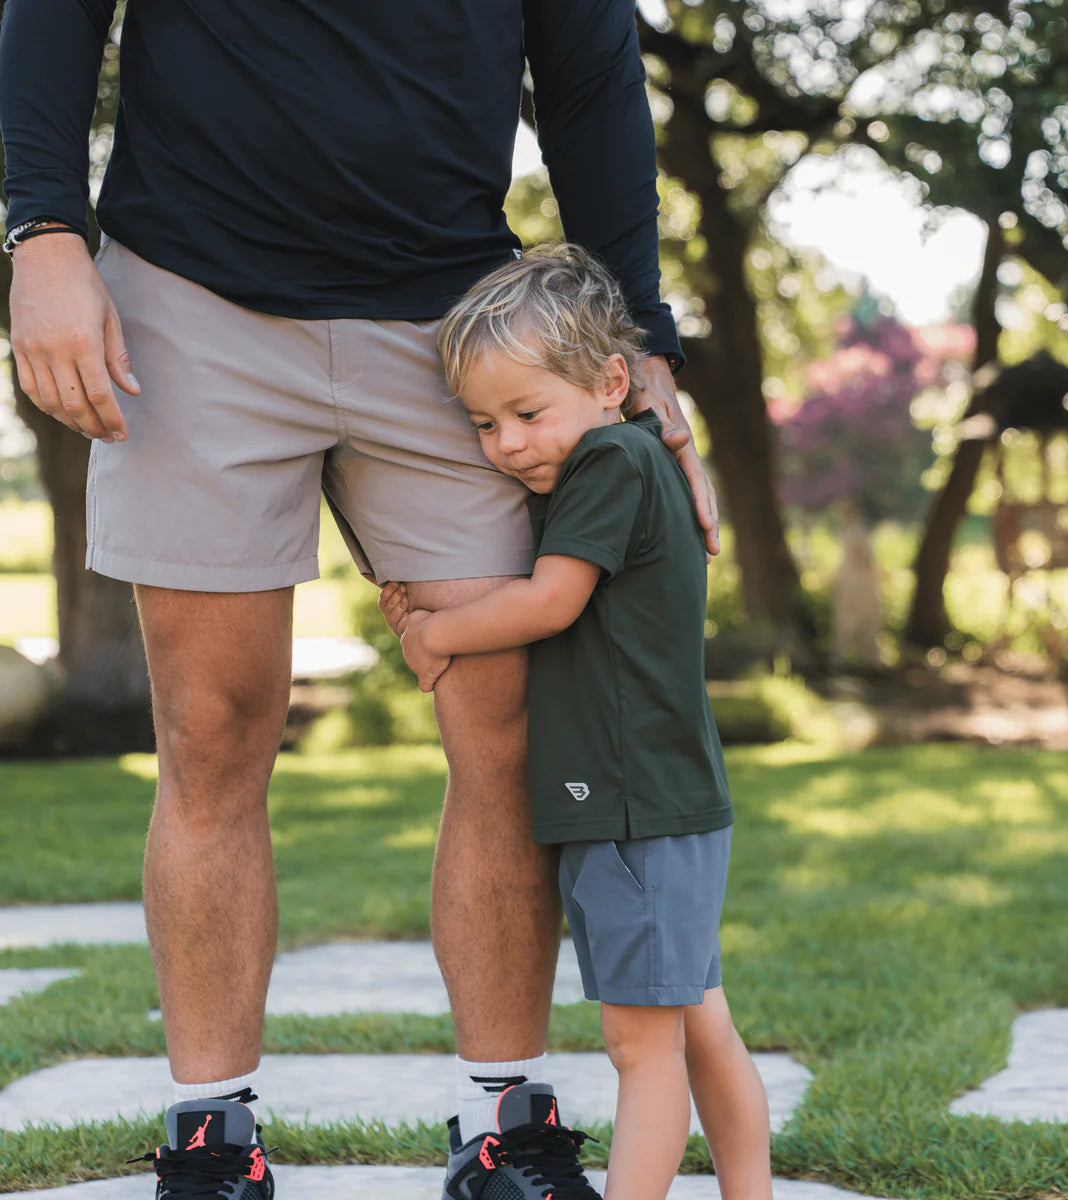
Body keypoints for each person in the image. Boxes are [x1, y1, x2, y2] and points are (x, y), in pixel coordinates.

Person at [0, 4, 719, 1199]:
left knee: (507, 723)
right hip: (189, 301)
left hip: (455, 331)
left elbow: (591, 77)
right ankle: (211, 1137)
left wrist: (636, 333)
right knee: (212, 731)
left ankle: (505, 1126)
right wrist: (41, 230)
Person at [380, 245, 771, 1200]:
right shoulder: (626, 457)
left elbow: (550, 603)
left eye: (525, 413)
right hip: (665, 796)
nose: (507, 443)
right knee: (698, 1021)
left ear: (609, 383)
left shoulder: (606, 458)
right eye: (484, 424)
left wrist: (436, 632)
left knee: (643, 1050)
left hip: (631, 804)